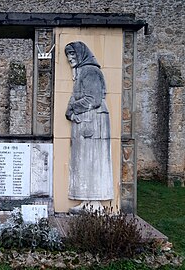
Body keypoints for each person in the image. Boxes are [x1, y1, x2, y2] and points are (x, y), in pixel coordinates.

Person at [64, 41, 114, 213]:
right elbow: (75, 97)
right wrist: (69, 112)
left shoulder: (90, 71)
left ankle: (95, 203)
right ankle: (86, 201)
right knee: (84, 162)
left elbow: (93, 99)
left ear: (81, 54)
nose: (70, 58)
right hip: (85, 120)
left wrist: (73, 108)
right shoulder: (80, 72)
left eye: (72, 54)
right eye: (68, 55)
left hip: (95, 121)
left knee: (94, 162)